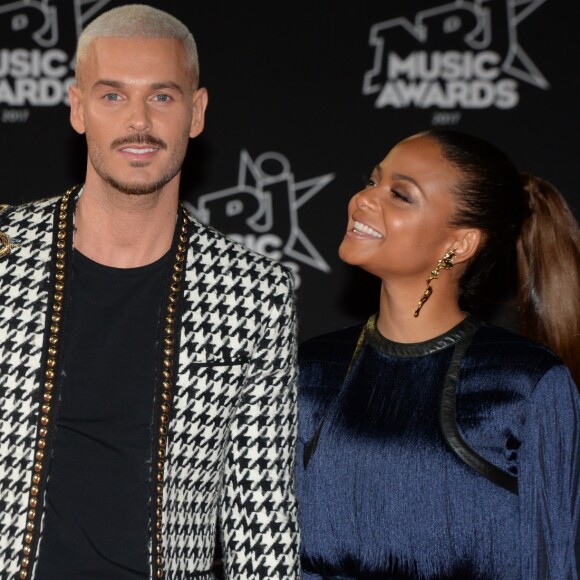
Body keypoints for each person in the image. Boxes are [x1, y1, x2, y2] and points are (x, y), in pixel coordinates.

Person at [0, 5, 300, 579]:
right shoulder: (5, 258)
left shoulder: (255, 291)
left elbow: (262, 518)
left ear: (197, 112)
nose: (139, 121)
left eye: (162, 97)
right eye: (113, 96)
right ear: (78, 108)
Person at [296, 129, 580, 579]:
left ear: (459, 245)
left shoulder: (524, 384)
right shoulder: (311, 370)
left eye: (400, 195)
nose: (363, 199)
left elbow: (554, 564)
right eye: (372, 182)